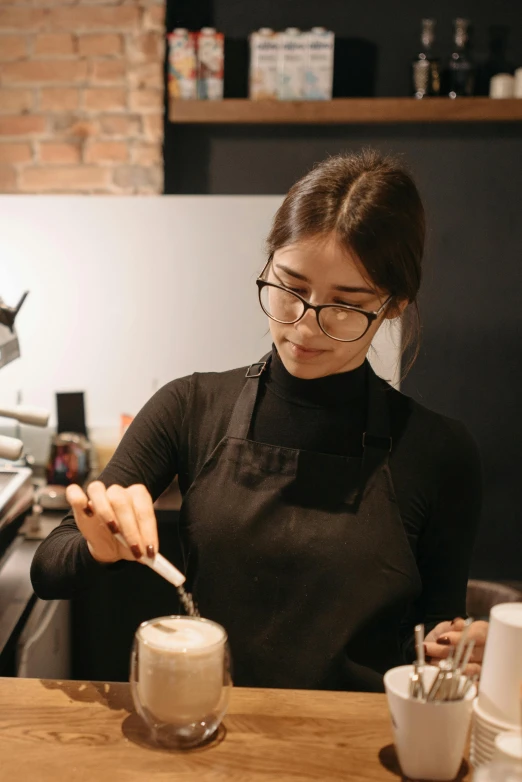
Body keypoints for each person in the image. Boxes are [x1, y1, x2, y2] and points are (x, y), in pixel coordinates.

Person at [31, 149, 487, 692]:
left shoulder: (438, 451)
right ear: (268, 264)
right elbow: (49, 567)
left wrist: (450, 649)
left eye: (346, 303)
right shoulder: (190, 406)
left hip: (357, 751)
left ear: (393, 304)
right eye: (290, 287)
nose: (305, 325)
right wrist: (97, 547)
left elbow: (437, 628)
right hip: (207, 728)